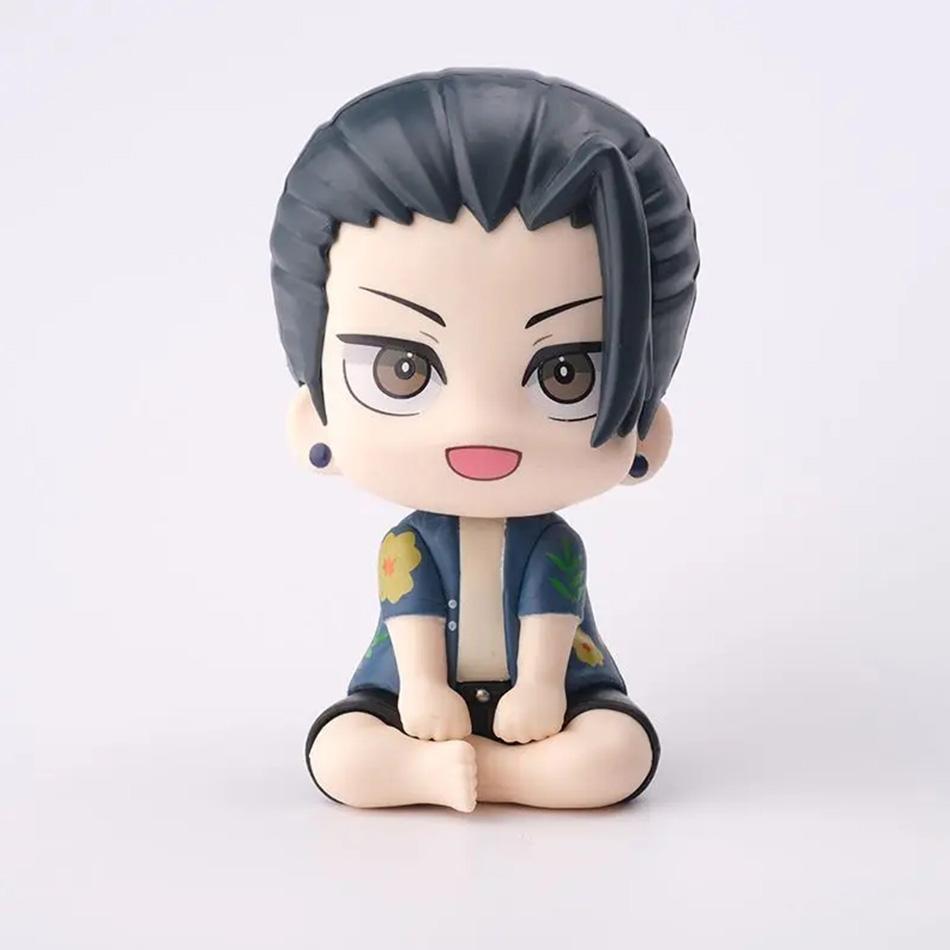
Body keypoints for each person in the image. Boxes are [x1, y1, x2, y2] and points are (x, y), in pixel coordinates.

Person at [270, 69, 699, 810]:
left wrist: (539, 689)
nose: (480, 425)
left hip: (557, 699)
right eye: (402, 370)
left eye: (566, 373)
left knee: (618, 752)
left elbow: (552, 618)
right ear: (315, 419)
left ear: (645, 434)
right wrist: (423, 690)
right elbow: (409, 619)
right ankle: (439, 771)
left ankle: (486, 776)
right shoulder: (407, 546)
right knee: (339, 751)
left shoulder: (554, 545)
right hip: (408, 702)